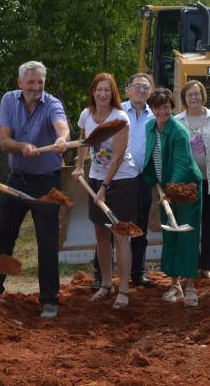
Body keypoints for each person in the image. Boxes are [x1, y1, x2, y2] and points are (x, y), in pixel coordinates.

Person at [0, 61, 69, 318]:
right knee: (5, 238)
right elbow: (4, 141)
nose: (36, 87)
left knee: (47, 243)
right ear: (20, 83)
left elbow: (62, 127)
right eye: (31, 82)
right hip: (16, 181)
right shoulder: (8, 100)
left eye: (40, 82)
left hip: (47, 184)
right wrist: (22, 146)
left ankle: (49, 299)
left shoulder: (52, 104)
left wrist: (61, 139)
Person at [72, 73, 141, 310]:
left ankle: (124, 289)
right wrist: (80, 166)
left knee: (121, 235)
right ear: (93, 91)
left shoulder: (120, 118)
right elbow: (83, 142)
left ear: (113, 94)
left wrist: (103, 187)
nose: (103, 94)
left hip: (121, 181)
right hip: (96, 179)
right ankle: (105, 285)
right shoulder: (86, 114)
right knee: (101, 235)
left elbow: (119, 156)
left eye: (107, 90)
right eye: (99, 90)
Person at [91, 73, 158, 290]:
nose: (141, 90)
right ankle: (101, 276)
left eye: (145, 87)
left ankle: (137, 273)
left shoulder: (155, 115)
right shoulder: (118, 113)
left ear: (150, 92)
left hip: (142, 178)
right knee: (107, 228)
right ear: (127, 89)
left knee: (138, 228)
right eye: (137, 86)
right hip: (117, 179)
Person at [145, 88, 204, 308]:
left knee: (187, 236)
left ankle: (190, 286)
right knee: (170, 233)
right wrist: (151, 181)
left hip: (186, 189)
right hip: (164, 189)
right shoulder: (150, 127)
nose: (163, 111)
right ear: (152, 109)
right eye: (158, 107)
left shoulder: (178, 131)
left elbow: (181, 164)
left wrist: (170, 192)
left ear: (172, 107)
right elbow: (149, 155)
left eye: (167, 107)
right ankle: (174, 284)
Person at [176, 80, 210, 280]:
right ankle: (190, 265)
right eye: (190, 95)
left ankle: (206, 266)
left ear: (203, 95)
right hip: (188, 183)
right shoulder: (177, 121)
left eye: (197, 94)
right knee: (189, 223)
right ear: (184, 99)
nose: (194, 98)